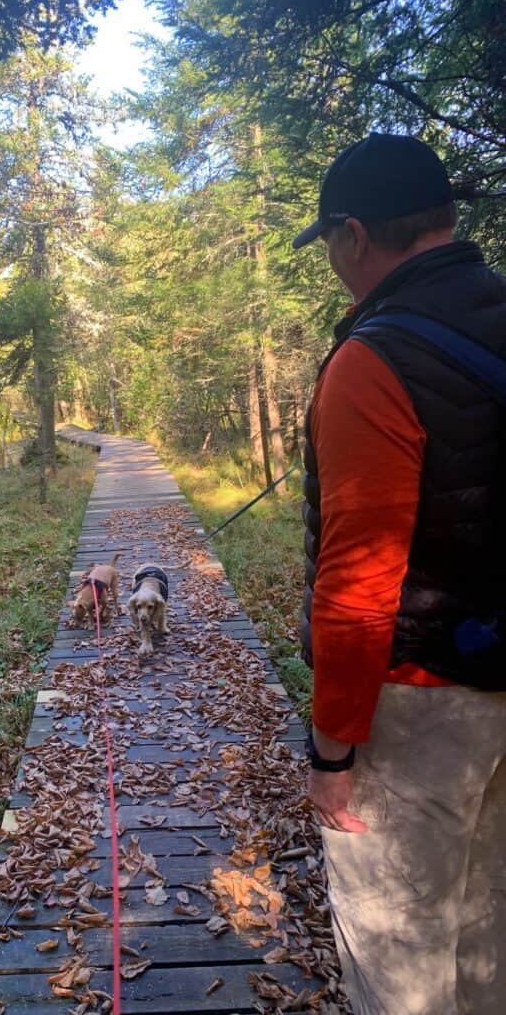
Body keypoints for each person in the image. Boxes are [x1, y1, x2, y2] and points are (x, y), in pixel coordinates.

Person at [293, 132, 506, 1015]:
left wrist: (332, 746)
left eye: (332, 246)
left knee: (400, 954)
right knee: (488, 939)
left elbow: (359, 580)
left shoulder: (371, 361)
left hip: (418, 703)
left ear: (352, 234)